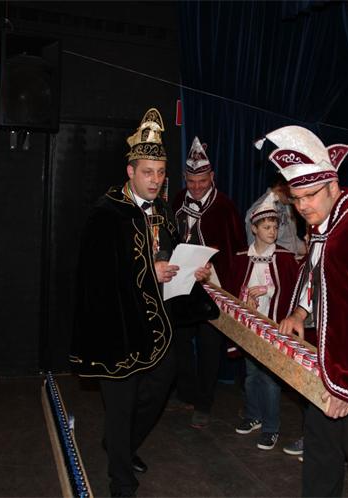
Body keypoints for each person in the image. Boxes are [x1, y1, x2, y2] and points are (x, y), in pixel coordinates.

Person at [70, 108, 211, 497]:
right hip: (117, 326)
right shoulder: (106, 214)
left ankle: (121, 445)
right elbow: (96, 277)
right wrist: (151, 270)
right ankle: (122, 482)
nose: (155, 180)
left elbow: (169, 254)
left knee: (161, 382)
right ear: (130, 171)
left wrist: (189, 269)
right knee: (120, 404)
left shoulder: (163, 210)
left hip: (156, 325)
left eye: (161, 173)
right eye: (148, 172)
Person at [256, 125, 348, 497]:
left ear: (334, 186)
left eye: (310, 196)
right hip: (332, 362)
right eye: (296, 198)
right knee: (321, 447)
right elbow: (316, 275)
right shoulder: (324, 225)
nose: (302, 206)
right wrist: (300, 314)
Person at [172, 136, 247, 428]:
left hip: (212, 288)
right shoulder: (177, 200)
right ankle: (186, 391)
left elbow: (236, 251)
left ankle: (203, 403)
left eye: (202, 181)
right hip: (181, 286)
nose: (196, 187)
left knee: (208, 345)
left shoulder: (225, 207)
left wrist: (215, 271)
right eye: (191, 181)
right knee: (179, 340)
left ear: (212, 177)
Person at [227, 192, 299, 450]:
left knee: (269, 379)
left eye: (275, 227)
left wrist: (268, 291)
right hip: (250, 327)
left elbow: (291, 291)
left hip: (273, 328)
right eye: (266, 227)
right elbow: (233, 289)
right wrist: (245, 297)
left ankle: (271, 427)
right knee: (251, 376)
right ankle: (253, 415)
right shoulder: (241, 257)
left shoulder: (284, 257)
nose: (272, 232)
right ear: (254, 228)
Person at [245, 175, 306, 257]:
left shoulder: (286, 206)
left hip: (289, 260)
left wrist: (309, 248)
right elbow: (255, 246)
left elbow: (291, 241)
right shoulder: (260, 209)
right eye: (292, 193)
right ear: (280, 187)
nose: (295, 198)